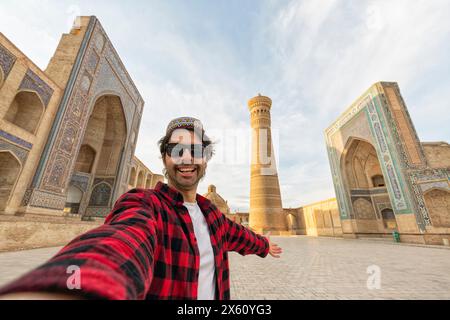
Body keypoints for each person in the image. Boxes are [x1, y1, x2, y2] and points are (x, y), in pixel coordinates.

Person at [0, 117, 282, 300]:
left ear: (205, 160)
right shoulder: (146, 205)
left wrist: (263, 245)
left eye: (196, 151)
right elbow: (120, 241)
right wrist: (71, 285)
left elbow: (239, 235)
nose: (186, 158)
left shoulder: (213, 215)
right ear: (165, 158)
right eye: (176, 150)